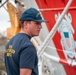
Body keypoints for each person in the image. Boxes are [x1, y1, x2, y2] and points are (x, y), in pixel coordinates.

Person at [4, 7, 48, 75]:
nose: (40, 27)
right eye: (37, 23)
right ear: (26, 23)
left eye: (40, 23)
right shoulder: (27, 47)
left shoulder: (9, 43)